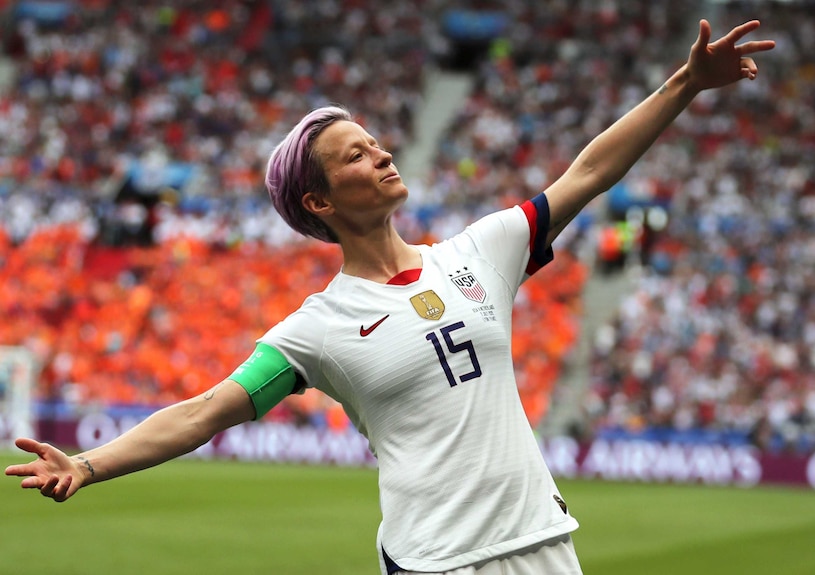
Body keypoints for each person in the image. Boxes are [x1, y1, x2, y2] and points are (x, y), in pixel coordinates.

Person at [6, 19, 774, 575]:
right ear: (318, 202)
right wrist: (90, 464)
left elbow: (587, 174)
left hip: (545, 546)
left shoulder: (484, 252)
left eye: (375, 142)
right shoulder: (317, 329)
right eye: (355, 155)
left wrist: (683, 86)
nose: (381, 154)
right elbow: (205, 411)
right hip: (436, 562)